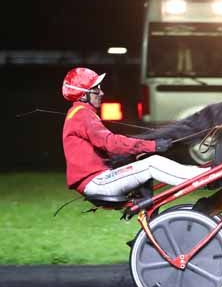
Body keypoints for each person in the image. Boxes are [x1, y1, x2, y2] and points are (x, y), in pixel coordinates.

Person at [61, 67, 209, 199]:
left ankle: (197, 174)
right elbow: (111, 143)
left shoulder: (80, 113)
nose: (101, 92)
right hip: (96, 182)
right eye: (96, 89)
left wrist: (136, 152)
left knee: (146, 161)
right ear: (82, 95)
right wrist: (152, 145)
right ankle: (204, 178)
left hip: (97, 179)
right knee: (152, 164)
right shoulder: (82, 114)